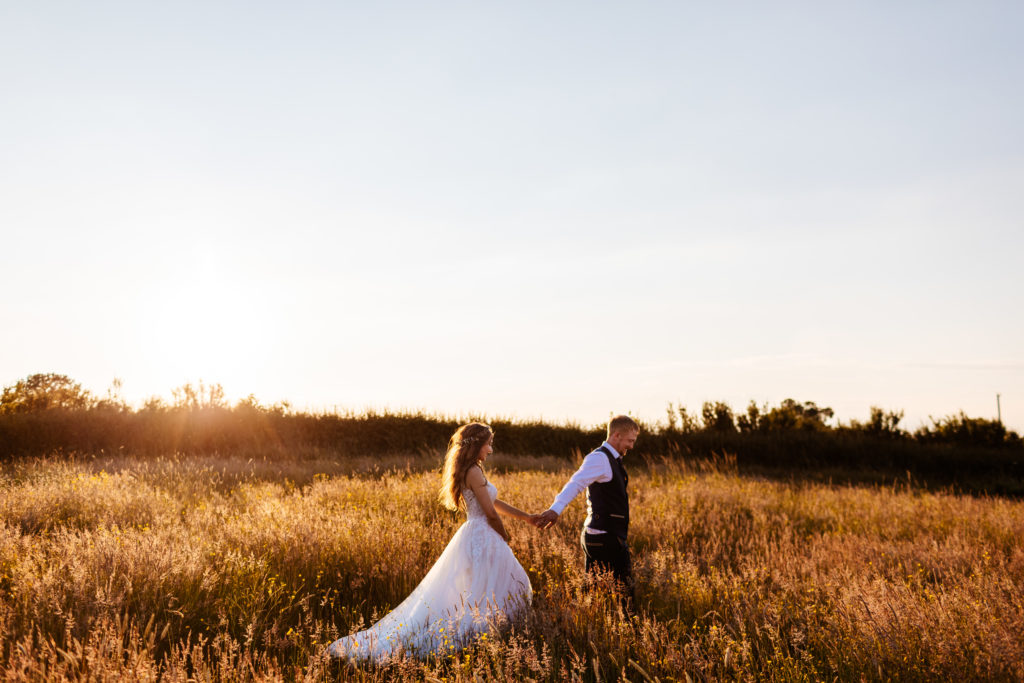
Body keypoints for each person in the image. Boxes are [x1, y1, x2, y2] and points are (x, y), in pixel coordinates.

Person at [328, 422, 534, 661]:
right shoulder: (474, 472)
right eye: (488, 444)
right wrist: (504, 536)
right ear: (477, 444)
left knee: (484, 588)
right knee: (508, 584)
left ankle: (487, 632)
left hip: (475, 534)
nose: (490, 449)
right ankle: (474, 635)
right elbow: (490, 513)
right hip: (482, 535)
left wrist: (526, 517)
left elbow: (493, 502)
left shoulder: (471, 469)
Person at [534, 415, 639, 609]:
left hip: (603, 536)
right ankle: (630, 629)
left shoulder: (612, 460)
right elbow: (576, 483)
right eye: (629, 441)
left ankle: (565, 618)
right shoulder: (599, 458)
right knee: (625, 592)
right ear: (616, 435)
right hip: (604, 537)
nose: (631, 446)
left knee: (592, 591)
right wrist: (556, 509)